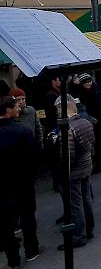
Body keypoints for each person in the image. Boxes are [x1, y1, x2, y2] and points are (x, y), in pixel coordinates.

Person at [0, 96, 39, 267]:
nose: (19, 109)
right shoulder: (22, 130)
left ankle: (13, 259)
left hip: (2, 184)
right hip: (23, 180)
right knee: (28, 216)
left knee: (5, 222)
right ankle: (31, 249)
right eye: (16, 106)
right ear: (8, 110)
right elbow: (32, 155)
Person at [57, 96, 95, 250]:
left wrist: (63, 172)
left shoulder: (68, 128)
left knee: (75, 204)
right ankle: (89, 229)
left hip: (74, 171)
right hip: (86, 166)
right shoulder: (85, 122)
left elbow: (67, 156)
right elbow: (91, 145)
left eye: (58, 109)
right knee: (86, 199)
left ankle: (78, 236)